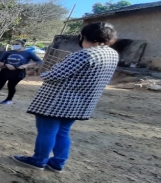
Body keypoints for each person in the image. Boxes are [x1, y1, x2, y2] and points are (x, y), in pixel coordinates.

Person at [13, 22, 119, 173]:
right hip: (82, 103)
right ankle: (57, 162)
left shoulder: (84, 54)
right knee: (63, 132)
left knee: (47, 131)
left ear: (83, 36)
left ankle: (38, 160)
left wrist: (45, 72)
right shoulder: (111, 54)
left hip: (58, 101)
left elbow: (54, 76)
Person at [0, 40, 43, 105]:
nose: (14, 45)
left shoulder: (28, 53)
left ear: (22, 45)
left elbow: (39, 61)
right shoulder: (8, 52)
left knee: (11, 86)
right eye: (13, 44)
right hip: (5, 71)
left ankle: (9, 99)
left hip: (18, 72)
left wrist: (26, 65)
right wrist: (6, 65)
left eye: (17, 44)